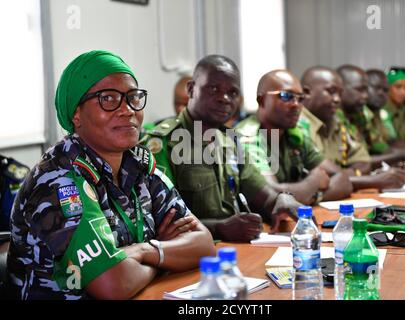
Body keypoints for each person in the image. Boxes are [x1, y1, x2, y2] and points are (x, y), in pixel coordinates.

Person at [5, 50, 215, 300]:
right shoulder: (59, 179)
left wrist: (145, 250)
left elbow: (204, 245)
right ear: (76, 114)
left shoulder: (139, 165)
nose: (127, 110)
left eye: (133, 97)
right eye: (108, 99)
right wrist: (165, 256)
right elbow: (113, 285)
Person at [141, 55, 301, 242]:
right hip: (188, 256)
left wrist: (281, 199)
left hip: (234, 251)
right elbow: (162, 223)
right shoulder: (163, 144)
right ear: (192, 89)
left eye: (233, 93)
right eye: (214, 89)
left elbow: (261, 194)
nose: (224, 99)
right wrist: (219, 228)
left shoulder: (231, 140)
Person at [235, 69, 353, 205]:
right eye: (286, 96)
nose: (296, 104)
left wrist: (313, 196)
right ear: (262, 100)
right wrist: (312, 182)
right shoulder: (246, 137)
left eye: (300, 98)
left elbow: (343, 179)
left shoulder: (293, 133)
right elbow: (272, 194)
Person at [299, 66, 405, 191]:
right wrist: (369, 180)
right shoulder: (297, 126)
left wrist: (345, 177)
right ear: (306, 92)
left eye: (339, 93)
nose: (337, 99)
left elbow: (363, 161)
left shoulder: (336, 122)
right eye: (331, 91)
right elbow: (316, 178)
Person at [337, 65, 405, 166]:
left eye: (385, 90)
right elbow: (354, 162)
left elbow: (382, 147)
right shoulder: (335, 118)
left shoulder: (360, 115)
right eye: (360, 90)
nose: (365, 95)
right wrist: (402, 156)